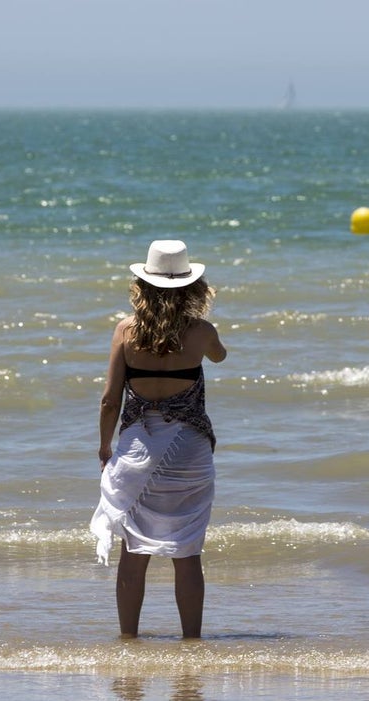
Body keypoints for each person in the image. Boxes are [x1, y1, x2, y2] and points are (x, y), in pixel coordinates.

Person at [90, 239, 228, 639]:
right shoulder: (201, 331)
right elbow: (219, 355)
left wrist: (104, 447)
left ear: (142, 285)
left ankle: (128, 638)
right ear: (192, 287)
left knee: (134, 551)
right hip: (189, 450)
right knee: (188, 552)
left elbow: (109, 400)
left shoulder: (125, 330)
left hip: (139, 446)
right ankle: (191, 640)